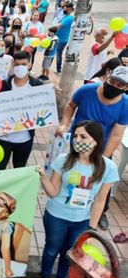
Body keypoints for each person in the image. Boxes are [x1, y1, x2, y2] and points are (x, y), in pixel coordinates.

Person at [36, 121, 119, 278]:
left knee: (71, 254)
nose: (77, 140)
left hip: (81, 220)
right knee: (51, 250)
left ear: (96, 140)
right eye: (75, 136)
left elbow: (100, 200)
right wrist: (42, 176)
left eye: (83, 137)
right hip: (56, 216)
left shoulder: (108, 167)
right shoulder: (63, 160)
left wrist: (91, 229)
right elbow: (53, 192)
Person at [55, 66, 128, 230]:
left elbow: (116, 134)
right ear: (108, 76)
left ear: (126, 88)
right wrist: (64, 124)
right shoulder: (87, 90)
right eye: (113, 81)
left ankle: (100, 212)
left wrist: (103, 159)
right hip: (78, 144)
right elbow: (71, 106)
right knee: (73, 174)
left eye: (120, 85)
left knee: (103, 182)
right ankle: (67, 202)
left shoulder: (125, 105)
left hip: (101, 149)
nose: (115, 86)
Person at [0, 51, 43, 171]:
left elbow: (43, 109)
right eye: (17, 64)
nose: (20, 67)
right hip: (2, 138)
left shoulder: (38, 86)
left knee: (19, 170)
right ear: (12, 65)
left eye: (23, 64)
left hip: (24, 139)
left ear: (29, 65)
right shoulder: (2, 85)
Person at [53, 2, 74, 74]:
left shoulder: (69, 18)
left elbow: (59, 25)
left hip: (62, 39)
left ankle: (59, 70)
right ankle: (57, 69)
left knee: (58, 54)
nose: (64, 9)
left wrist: (51, 29)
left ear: (70, 9)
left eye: (66, 8)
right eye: (64, 7)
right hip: (59, 37)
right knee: (55, 53)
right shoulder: (65, 16)